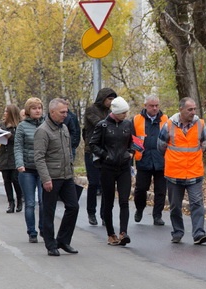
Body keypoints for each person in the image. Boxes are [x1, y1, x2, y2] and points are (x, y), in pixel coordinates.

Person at [158, 97, 206, 245]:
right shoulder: (168, 125)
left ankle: (199, 233)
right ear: (181, 109)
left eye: (194, 109)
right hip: (174, 174)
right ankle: (177, 232)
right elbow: (160, 146)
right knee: (175, 206)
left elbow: (205, 145)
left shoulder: (200, 124)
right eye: (190, 109)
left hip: (194, 172)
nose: (193, 112)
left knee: (197, 204)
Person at [34, 98, 79, 256]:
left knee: (73, 207)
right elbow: (39, 157)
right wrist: (46, 178)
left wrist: (72, 172)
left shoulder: (64, 128)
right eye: (62, 112)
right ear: (52, 112)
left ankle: (63, 240)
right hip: (52, 177)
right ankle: (50, 244)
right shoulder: (43, 131)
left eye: (66, 112)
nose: (65, 115)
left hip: (66, 176)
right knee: (49, 212)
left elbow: (68, 152)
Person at [89, 96, 136, 246]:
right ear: (115, 112)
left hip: (124, 167)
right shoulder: (102, 126)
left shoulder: (128, 124)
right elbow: (93, 144)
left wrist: (131, 153)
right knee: (108, 202)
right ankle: (111, 234)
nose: (126, 115)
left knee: (124, 200)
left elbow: (134, 142)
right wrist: (105, 155)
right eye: (123, 113)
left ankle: (123, 233)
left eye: (126, 112)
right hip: (107, 168)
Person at [83, 87, 117, 225]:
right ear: (102, 98)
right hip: (91, 151)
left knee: (106, 185)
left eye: (113, 99)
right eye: (109, 99)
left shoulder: (111, 112)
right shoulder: (91, 110)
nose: (111, 101)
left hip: (106, 151)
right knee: (94, 183)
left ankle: (104, 214)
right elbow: (100, 124)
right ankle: (91, 212)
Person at [132, 95, 168, 226]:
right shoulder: (136, 120)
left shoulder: (165, 119)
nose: (155, 108)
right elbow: (132, 140)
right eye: (152, 106)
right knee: (140, 189)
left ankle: (157, 215)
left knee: (161, 191)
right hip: (143, 159)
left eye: (157, 105)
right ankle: (139, 208)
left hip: (161, 160)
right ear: (145, 106)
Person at [14, 97, 45, 243]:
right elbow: (18, 147)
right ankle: (32, 232)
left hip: (43, 169)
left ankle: (44, 228)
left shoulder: (47, 124)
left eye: (39, 108)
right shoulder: (22, 126)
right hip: (27, 169)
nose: (37, 110)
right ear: (28, 111)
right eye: (34, 108)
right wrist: (20, 164)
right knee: (30, 203)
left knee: (44, 201)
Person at [0, 103, 24, 214]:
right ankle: (10, 203)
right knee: (6, 180)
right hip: (4, 155)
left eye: (7, 111)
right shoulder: (1, 125)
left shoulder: (19, 126)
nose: (4, 113)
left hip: (14, 155)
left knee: (15, 179)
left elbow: (20, 140)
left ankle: (19, 200)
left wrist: (10, 136)